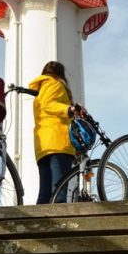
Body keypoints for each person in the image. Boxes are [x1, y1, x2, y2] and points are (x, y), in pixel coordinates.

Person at [28, 61, 82, 204]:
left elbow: (45, 106)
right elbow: (49, 105)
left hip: (43, 145)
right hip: (58, 141)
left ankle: (37, 224)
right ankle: (60, 225)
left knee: (45, 192)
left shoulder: (40, 91)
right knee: (60, 190)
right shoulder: (56, 84)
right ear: (61, 74)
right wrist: (69, 109)